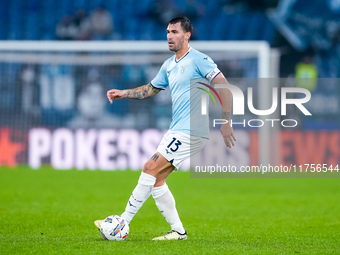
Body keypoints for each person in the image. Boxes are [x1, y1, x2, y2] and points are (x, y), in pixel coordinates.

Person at [94, 16, 236, 240]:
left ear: (187, 35)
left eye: (175, 32)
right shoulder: (169, 65)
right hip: (177, 129)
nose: (169, 36)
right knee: (157, 181)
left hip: (191, 130)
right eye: (168, 32)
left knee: (149, 167)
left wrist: (226, 121)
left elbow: (225, 87)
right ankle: (179, 232)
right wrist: (124, 93)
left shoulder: (199, 59)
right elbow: (150, 90)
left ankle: (122, 223)